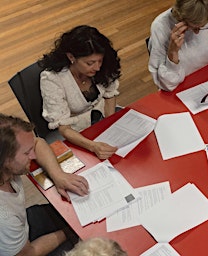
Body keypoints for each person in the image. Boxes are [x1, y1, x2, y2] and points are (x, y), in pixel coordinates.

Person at [0, 114, 89, 256]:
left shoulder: (6, 163)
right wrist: (71, 230)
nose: (34, 156)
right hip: (22, 250)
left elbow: (37, 142)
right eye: (27, 152)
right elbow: (27, 253)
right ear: (5, 160)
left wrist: (58, 175)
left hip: (23, 226)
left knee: (75, 213)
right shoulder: (4, 217)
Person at [39, 25, 121, 160]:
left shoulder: (104, 66)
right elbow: (64, 127)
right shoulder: (52, 79)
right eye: (90, 63)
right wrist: (93, 146)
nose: (98, 67)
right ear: (71, 57)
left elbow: (110, 94)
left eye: (100, 61)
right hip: (73, 130)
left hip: (102, 117)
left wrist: (109, 124)